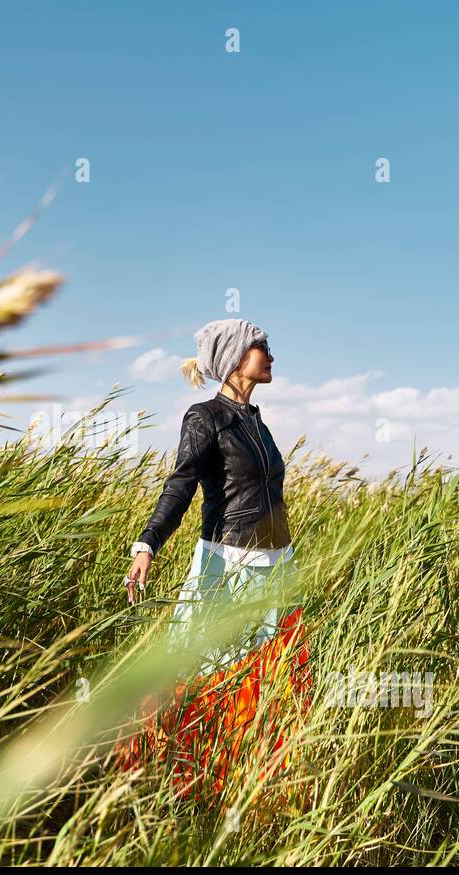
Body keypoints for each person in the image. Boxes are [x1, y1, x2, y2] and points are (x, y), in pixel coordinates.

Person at [114, 318, 311, 799]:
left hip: (277, 566)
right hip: (231, 564)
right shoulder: (205, 416)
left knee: (274, 675)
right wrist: (147, 545)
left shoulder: (257, 422)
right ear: (235, 358)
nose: (270, 356)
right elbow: (180, 485)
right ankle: (180, 780)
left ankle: (261, 781)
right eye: (261, 347)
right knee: (215, 673)